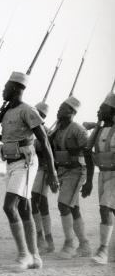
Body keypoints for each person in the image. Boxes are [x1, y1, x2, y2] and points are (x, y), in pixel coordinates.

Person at [0, 72, 59, 270]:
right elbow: (10, 139)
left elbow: (43, 140)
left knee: (9, 206)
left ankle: (24, 254)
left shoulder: (28, 110)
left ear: (16, 89)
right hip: (11, 163)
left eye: (6, 87)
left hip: (26, 163)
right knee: (24, 209)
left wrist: (52, 171)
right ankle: (35, 256)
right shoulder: (7, 112)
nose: (2, 90)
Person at [50, 96, 94, 259]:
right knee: (72, 207)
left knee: (63, 205)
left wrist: (89, 181)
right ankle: (84, 244)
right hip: (62, 171)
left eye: (62, 108)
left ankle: (70, 244)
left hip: (76, 171)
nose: (58, 110)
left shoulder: (78, 130)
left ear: (71, 111)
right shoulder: (57, 130)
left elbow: (88, 154)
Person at [90, 92, 115, 264]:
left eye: (102, 108)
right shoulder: (98, 130)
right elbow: (87, 150)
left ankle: (103, 250)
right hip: (102, 174)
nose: (98, 111)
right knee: (109, 210)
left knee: (104, 208)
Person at [30, 102, 55, 253]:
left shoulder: (45, 132)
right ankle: (46, 238)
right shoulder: (27, 130)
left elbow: (48, 152)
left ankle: (42, 236)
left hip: (42, 169)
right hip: (30, 170)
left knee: (35, 200)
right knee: (41, 203)